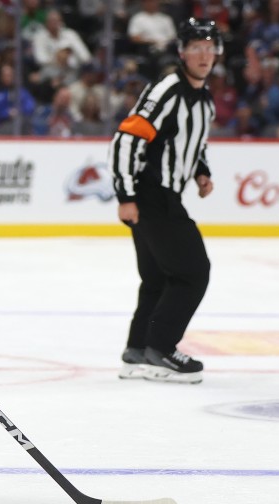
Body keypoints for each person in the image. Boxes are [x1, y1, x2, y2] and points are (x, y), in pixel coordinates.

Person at [107, 18, 220, 384]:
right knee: (192, 272)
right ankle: (161, 349)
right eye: (196, 47)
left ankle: (138, 349)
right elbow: (127, 140)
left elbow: (192, 142)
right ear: (181, 53)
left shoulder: (204, 99)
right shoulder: (168, 89)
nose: (204, 54)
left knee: (157, 277)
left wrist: (201, 171)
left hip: (164, 194)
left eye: (209, 47)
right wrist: (126, 195)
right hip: (151, 195)